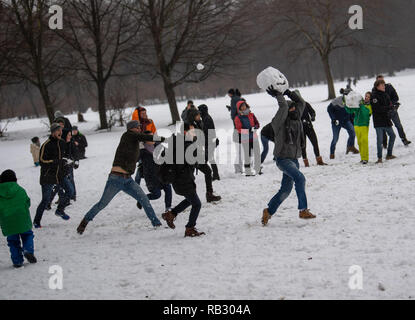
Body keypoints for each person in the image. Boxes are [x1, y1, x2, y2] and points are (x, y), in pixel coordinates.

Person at [76, 121, 164, 235]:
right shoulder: (128, 135)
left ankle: (156, 223)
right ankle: (85, 221)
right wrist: (162, 138)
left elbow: (146, 142)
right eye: (138, 127)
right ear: (132, 128)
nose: (139, 129)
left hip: (128, 180)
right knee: (102, 204)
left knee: (144, 199)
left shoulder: (134, 142)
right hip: (116, 179)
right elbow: (145, 136)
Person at [262, 86, 316, 226]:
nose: (293, 110)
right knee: (300, 178)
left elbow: (301, 103)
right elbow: (283, 107)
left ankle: (268, 211)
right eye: (290, 109)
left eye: (294, 108)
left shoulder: (296, 118)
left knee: (286, 189)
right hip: (283, 159)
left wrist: (289, 93)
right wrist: (279, 96)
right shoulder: (279, 122)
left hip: (294, 159)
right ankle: (303, 210)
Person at [161, 124, 206, 237]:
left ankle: (171, 214)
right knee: (197, 204)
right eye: (192, 131)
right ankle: (189, 228)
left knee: (190, 200)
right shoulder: (186, 145)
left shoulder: (175, 141)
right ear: (185, 132)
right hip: (183, 179)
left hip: (177, 179)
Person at [33, 123, 71, 228]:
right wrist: (56, 161)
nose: (60, 133)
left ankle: (59, 210)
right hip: (48, 176)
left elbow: (64, 158)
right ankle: (36, 221)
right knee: (45, 200)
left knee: (70, 191)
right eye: (58, 131)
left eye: (61, 131)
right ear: (53, 132)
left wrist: (68, 164)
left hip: (60, 175)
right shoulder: (47, 144)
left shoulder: (62, 143)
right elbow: (42, 161)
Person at [0, 170, 37, 268]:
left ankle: (17, 261)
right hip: (22, 219)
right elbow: (27, 202)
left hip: (8, 222)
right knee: (27, 235)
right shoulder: (20, 190)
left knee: (13, 241)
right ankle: (28, 250)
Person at [186, 108, 221, 202]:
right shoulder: (188, 126)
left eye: (199, 114)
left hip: (198, 154)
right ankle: (191, 198)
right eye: (197, 115)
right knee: (190, 178)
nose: (199, 116)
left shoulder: (198, 123)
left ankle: (209, 194)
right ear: (193, 116)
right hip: (190, 155)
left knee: (208, 171)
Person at [139, 131, 172, 213]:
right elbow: (134, 158)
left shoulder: (158, 145)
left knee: (168, 189)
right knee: (157, 195)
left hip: (162, 174)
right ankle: (142, 199)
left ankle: (168, 208)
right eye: (150, 137)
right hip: (151, 177)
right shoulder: (142, 151)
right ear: (145, 139)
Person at [375, 75, 411, 147]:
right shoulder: (374, 90)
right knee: (384, 128)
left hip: (392, 110)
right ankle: (385, 143)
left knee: (398, 125)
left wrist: (392, 104)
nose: (382, 82)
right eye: (379, 81)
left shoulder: (389, 87)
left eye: (382, 80)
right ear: (376, 82)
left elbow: (396, 97)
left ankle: (404, 139)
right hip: (384, 113)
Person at [371, 79, 397, 163]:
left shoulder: (386, 94)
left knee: (392, 136)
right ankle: (379, 158)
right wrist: (388, 108)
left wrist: (393, 107)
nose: (384, 86)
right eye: (382, 85)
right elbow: (377, 109)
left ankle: (389, 154)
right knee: (380, 140)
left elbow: (389, 105)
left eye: (384, 85)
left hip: (386, 120)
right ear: (377, 86)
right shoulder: (374, 96)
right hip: (378, 122)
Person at [327, 94, 359, 159]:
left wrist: (352, 121)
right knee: (335, 138)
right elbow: (329, 109)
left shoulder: (351, 101)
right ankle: (332, 153)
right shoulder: (337, 101)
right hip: (337, 122)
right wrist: (333, 119)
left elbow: (352, 112)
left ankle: (350, 147)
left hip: (346, 121)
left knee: (352, 132)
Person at [234, 100, 261, 176]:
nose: (243, 107)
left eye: (244, 105)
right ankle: (248, 171)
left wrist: (255, 127)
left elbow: (257, 124)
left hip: (254, 137)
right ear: (239, 108)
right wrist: (248, 130)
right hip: (245, 138)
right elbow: (238, 129)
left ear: (246, 105)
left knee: (257, 153)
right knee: (247, 155)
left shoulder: (251, 115)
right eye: (241, 106)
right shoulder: (238, 118)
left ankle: (258, 169)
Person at [345, 92, 372, 164]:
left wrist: (361, 105)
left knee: (364, 141)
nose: (366, 98)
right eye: (366, 96)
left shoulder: (369, 106)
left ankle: (365, 158)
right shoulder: (359, 103)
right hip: (356, 125)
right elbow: (350, 110)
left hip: (364, 125)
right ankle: (362, 158)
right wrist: (346, 104)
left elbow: (365, 113)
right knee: (359, 142)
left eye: (368, 97)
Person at [198, 104, 220, 181]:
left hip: (210, 142)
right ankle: (215, 175)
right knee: (210, 158)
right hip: (209, 141)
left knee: (207, 159)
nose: (199, 113)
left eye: (200, 111)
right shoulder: (205, 118)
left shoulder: (206, 118)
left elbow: (207, 132)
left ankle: (214, 175)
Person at [301, 102, 327, 167]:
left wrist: (313, 117)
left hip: (309, 126)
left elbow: (312, 111)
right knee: (303, 146)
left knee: (315, 142)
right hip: (300, 129)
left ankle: (319, 160)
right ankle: (306, 162)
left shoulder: (305, 104)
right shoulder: (294, 106)